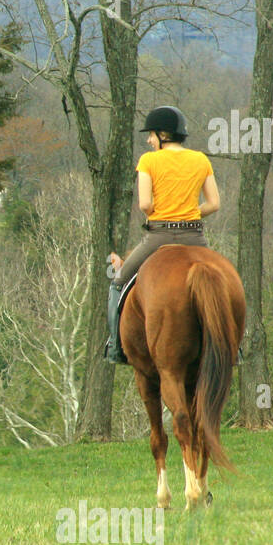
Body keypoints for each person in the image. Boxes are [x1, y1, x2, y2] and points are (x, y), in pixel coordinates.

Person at [104, 105, 221, 364]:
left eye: (151, 134)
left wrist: (165, 213)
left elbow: (145, 204)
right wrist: (188, 213)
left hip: (158, 236)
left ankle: (114, 346)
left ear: (164, 135)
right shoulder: (201, 160)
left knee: (118, 283)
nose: (148, 140)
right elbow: (214, 204)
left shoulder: (148, 160)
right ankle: (233, 346)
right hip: (195, 238)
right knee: (221, 286)